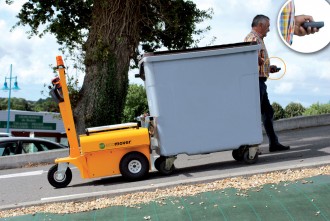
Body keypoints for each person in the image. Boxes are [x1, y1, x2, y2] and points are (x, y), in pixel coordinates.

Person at [244, 15, 290, 152]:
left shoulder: (257, 39)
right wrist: (259, 60)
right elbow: (250, 59)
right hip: (256, 82)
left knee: (267, 112)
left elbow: (256, 61)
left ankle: (273, 143)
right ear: (260, 25)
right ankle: (251, 145)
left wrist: (268, 68)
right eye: (268, 26)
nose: (269, 29)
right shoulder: (253, 38)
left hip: (259, 81)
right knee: (255, 114)